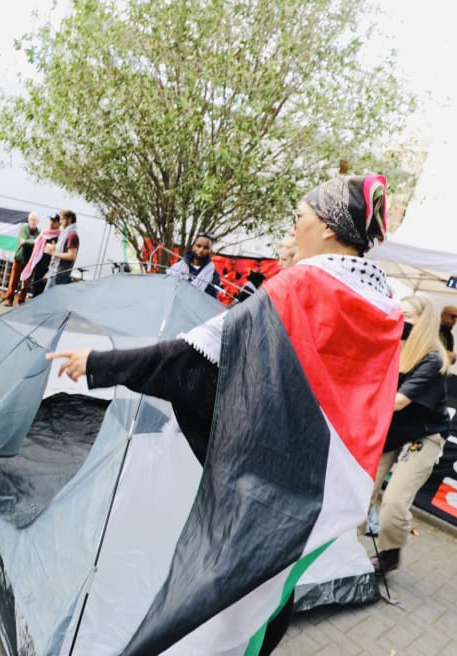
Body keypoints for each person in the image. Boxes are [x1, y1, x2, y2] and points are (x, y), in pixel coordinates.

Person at [47, 175, 402, 654]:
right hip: (332, 482)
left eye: (303, 213)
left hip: (270, 480)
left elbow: (197, 356)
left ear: (329, 227)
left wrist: (98, 363)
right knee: (273, 588)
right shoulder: (381, 304)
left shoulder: (305, 284)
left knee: (221, 596)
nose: (295, 222)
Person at [369, 295, 452, 574]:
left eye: (406, 315)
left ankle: (390, 553)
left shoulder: (432, 359)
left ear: (422, 322)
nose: (399, 319)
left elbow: (398, 402)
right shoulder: (389, 346)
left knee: (393, 503)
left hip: (423, 435)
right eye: (397, 313)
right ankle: (339, 547)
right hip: (391, 431)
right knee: (359, 491)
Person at [166, 233, 222, 298]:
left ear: (211, 252)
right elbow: (167, 286)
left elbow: (210, 301)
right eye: (198, 246)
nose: (201, 250)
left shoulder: (213, 276)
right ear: (193, 247)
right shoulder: (178, 266)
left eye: (206, 248)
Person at [20, 213, 61, 300]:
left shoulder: (59, 237)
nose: (51, 223)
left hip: (48, 268)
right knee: (36, 289)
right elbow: (35, 243)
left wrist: (49, 271)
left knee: (44, 293)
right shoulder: (44, 233)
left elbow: (56, 257)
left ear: (59, 223)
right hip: (38, 265)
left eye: (54, 221)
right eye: (51, 220)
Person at [3, 211, 40, 306]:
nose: (33, 222)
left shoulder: (39, 232)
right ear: (28, 220)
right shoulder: (24, 229)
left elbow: (38, 244)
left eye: (35, 220)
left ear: (38, 221)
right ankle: (9, 299)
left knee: (26, 282)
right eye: (31, 219)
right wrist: (34, 242)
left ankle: (21, 301)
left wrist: (30, 242)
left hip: (30, 261)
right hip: (19, 258)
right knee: (13, 280)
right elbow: (22, 242)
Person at [44, 209, 79, 288]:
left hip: (60, 272)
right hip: (55, 270)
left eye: (62, 219)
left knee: (49, 297)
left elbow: (71, 255)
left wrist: (53, 253)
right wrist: (55, 247)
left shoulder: (72, 235)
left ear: (69, 220)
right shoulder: (66, 233)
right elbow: (64, 250)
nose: (60, 222)